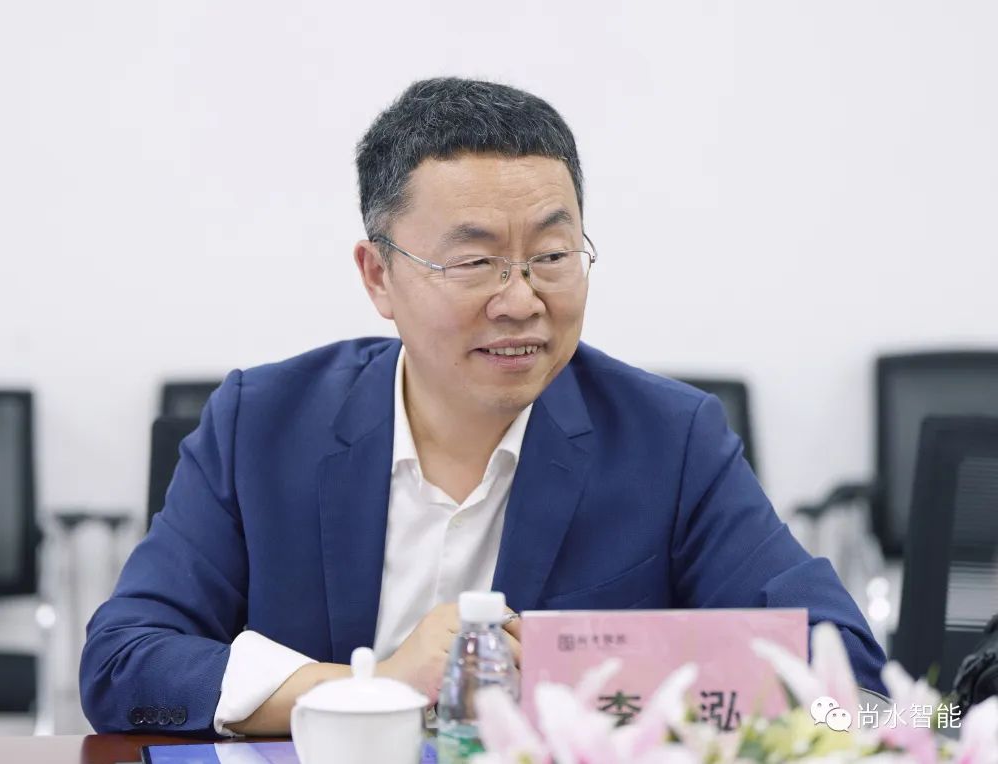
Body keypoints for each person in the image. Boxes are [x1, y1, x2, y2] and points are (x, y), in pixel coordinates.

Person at [80, 77, 886, 737]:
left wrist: (581, 674)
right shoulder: (260, 425)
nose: (522, 300)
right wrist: (373, 688)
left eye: (552, 255)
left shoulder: (670, 442)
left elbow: (850, 678)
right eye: (476, 262)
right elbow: (122, 667)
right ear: (378, 276)